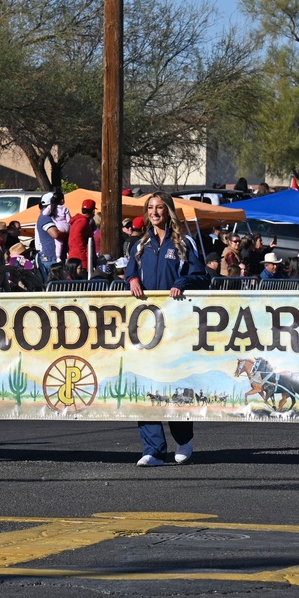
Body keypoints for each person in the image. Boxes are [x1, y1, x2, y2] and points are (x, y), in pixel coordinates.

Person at [124, 192, 208, 466]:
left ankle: (183, 439)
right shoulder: (140, 245)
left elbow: (200, 275)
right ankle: (153, 448)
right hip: (146, 326)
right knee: (144, 383)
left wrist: (182, 282)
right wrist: (133, 278)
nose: (155, 212)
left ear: (168, 211)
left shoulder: (184, 243)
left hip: (176, 325)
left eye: (160, 208)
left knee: (175, 383)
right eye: (150, 208)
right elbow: (129, 272)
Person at [68, 198, 96, 270]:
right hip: (80, 259)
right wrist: (85, 254)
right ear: (93, 211)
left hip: (74, 256)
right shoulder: (83, 221)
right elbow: (77, 238)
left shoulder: (77, 220)